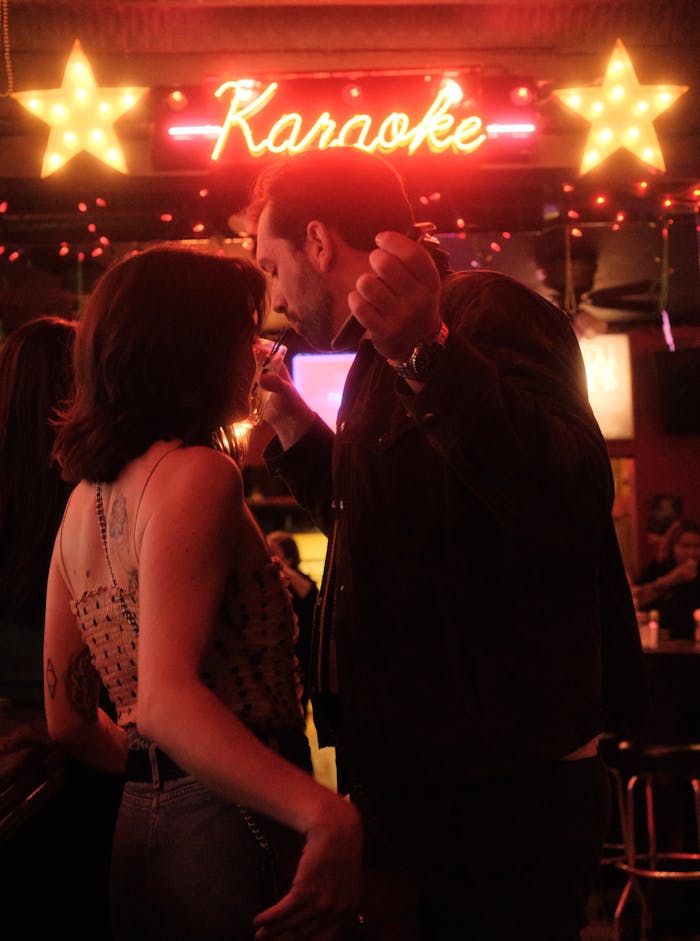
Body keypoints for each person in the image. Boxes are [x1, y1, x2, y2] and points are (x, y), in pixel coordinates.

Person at [245, 146, 649, 940]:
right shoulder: (374, 356)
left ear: (319, 241)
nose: (274, 295)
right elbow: (395, 528)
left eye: (270, 264)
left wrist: (428, 350)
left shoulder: (481, 311)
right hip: (426, 773)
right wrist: (296, 433)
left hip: (499, 787)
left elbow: (566, 493)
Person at [44, 245, 362, 941]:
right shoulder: (201, 473)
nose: (257, 348)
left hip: (141, 816)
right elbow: (165, 697)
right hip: (233, 815)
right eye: (242, 328)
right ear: (190, 347)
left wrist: (161, 776)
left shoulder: (80, 501)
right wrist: (324, 811)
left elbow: (67, 716)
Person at [266, 529, 319, 714]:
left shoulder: (301, 581)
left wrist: (281, 567)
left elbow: (309, 594)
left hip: (301, 656)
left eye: (272, 552)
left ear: (287, 557)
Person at [633, 518, 700, 640]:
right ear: (672, 546)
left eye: (697, 546)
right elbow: (636, 598)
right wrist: (672, 579)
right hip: (660, 642)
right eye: (685, 546)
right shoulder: (659, 568)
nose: (692, 552)